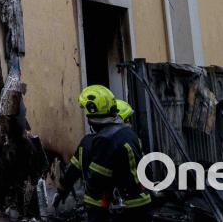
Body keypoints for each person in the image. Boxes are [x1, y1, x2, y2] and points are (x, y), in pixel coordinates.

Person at [53, 85, 151, 221]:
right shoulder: (129, 134)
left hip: (113, 209)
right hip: (141, 204)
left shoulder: (102, 140)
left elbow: (97, 180)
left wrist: (64, 190)